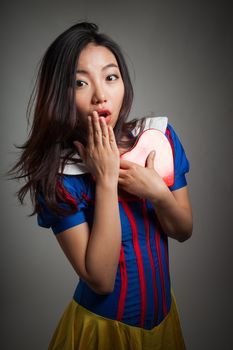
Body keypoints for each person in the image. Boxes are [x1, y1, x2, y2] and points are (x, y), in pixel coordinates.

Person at [11, 22, 193, 350]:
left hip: (165, 322)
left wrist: (157, 192)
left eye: (111, 77)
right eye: (80, 82)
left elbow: (183, 230)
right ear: (59, 94)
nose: (100, 95)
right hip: (102, 333)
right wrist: (107, 181)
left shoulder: (158, 138)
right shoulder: (59, 175)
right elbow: (101, 279)